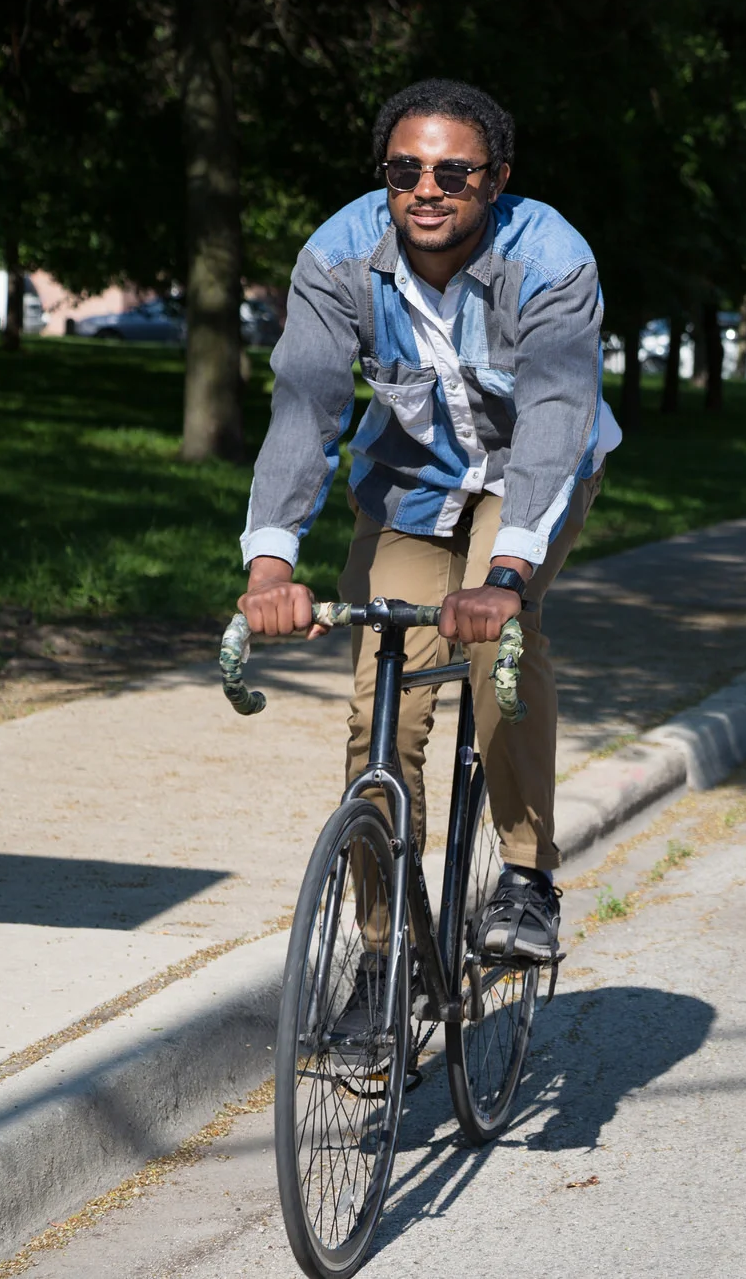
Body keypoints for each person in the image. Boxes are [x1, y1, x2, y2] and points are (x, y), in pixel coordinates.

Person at [237, 78, 620, 964]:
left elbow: (558, 414)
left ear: (498, 178)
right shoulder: (338, 259)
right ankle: (385, 951)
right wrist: (269, 565)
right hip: (411, 484)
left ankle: (526, 875)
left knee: (497, 639)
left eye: (454, 171)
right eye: (405, 169)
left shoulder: (552, 258)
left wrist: (507, 576)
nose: (427, 188)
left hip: (533, 475)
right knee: (382, 708)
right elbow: (305, 409)